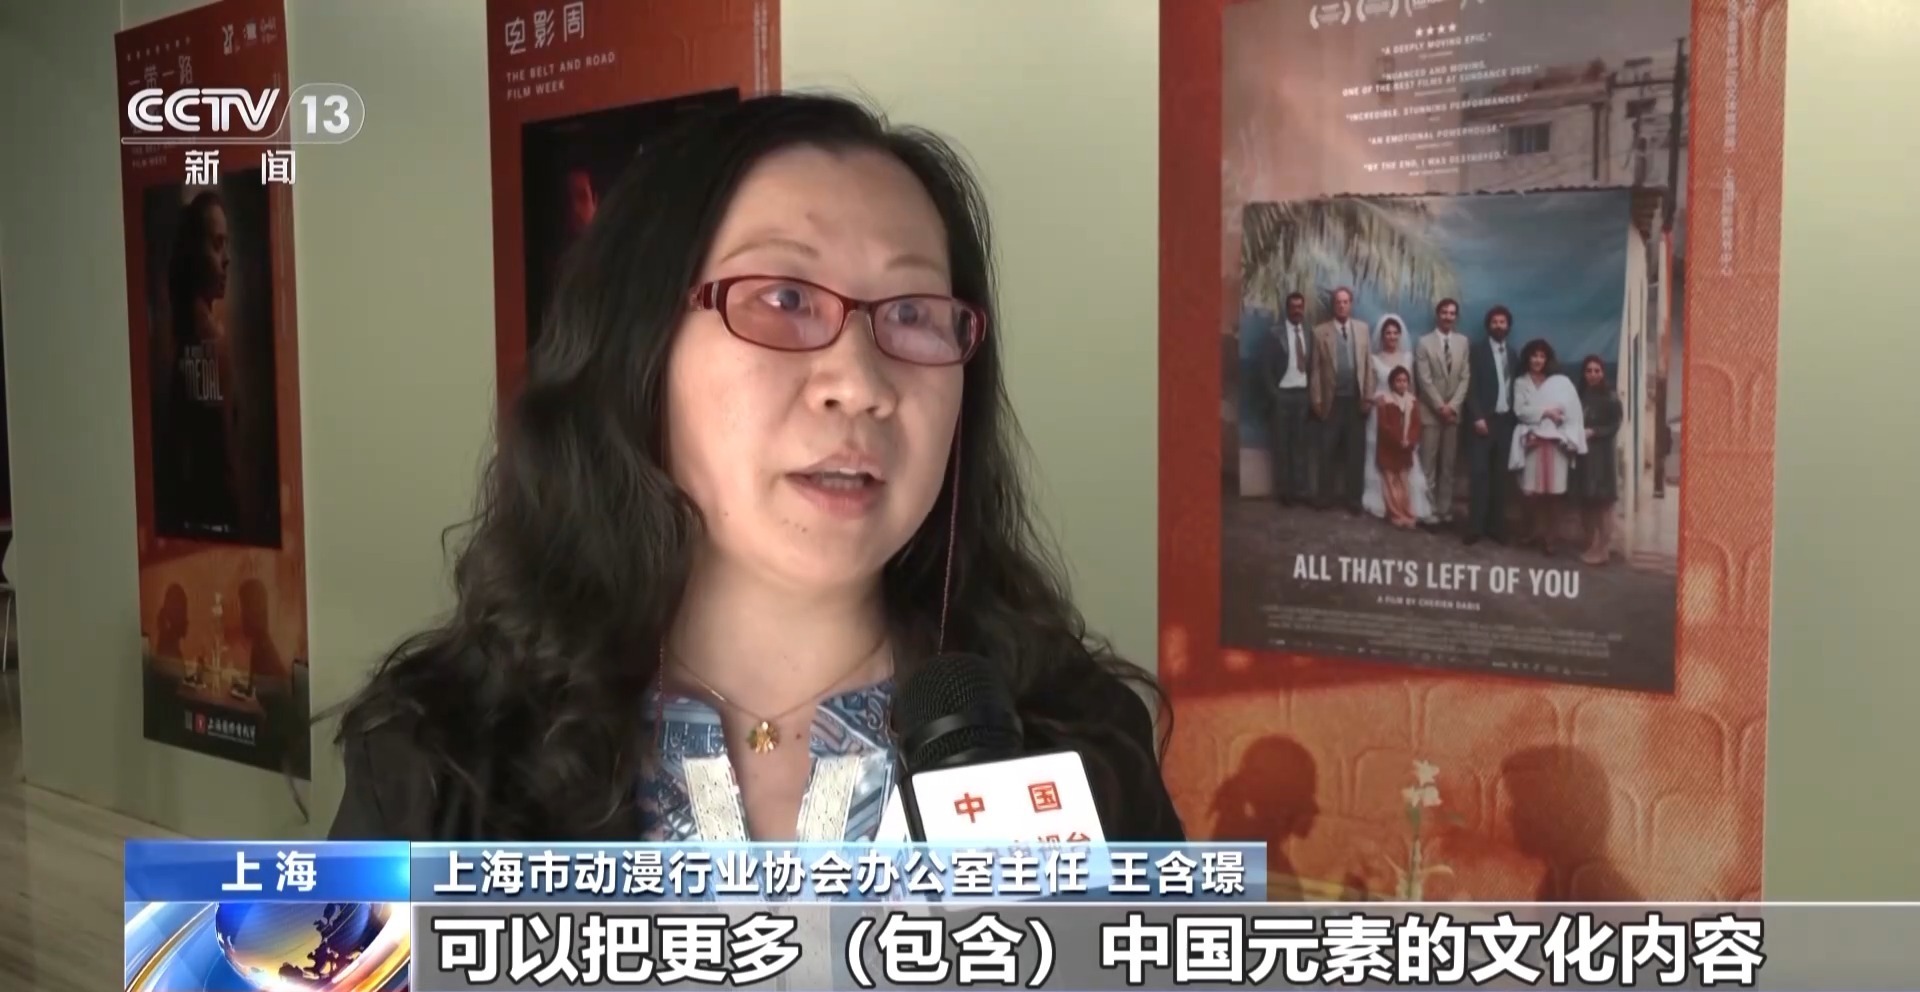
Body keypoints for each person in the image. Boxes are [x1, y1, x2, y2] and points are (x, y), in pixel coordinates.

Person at [327, 94, 1184, 843]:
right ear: (640, 349)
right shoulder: (441, 757)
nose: (860, 385)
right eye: (785, 299)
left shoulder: (1079, 750)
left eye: (913, 313)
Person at [1509, 339, 1586, 556]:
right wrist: (1546, 412)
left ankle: (1551, 538)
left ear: (1547, 359)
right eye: (1534, 356)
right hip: (1532, 441)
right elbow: (1521, 411)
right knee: (1530, 492)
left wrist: (1560, 422)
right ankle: (1531, 532)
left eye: (1542, 356)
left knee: (1554, 494)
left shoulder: (1558, 382)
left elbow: (1569, 410)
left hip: (1555, 444)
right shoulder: (1521, 383)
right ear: (1528, 358)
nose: (1537, 360)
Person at [1309, 287, 1374, 513]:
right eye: (1338, 302)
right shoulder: (1320, 332)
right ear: (1333, 305)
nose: (1342, 305)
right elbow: (1315, 370)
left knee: (1355, 452)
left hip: (1356, 401)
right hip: (1332, 401)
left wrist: (1368, 397)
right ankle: (1324, 497)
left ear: (1351, 304)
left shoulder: (1363, 329)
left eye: (1346, 302)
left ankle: (1354, 499)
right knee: (1326, 450)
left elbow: (1368, 366)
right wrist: (1317, 401)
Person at [1361, 315, 1429, 523]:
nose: (1391, 336)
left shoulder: (1407, 358)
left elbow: (1412, 387)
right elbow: (1370, 386)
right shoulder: (1374, 359)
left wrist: (1411, 408)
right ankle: (1385, 503)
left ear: (1400, 335)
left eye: (1394, 333)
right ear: (1382, 336)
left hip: (1405, 412)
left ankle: (1406, 504)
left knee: (1404, 455)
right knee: (1383, 458)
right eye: (1387, 333)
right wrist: (1375, 400)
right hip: (1382, 413)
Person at [1462, 305, 1518, 545]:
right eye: (1494, 322)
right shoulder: (1477, 351)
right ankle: (1475, 528)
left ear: (1508, 326)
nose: (1499, 326)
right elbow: (1470, 386)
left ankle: (1496, 528)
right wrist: (1477, 416)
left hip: (1505, 423)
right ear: (1488, 326)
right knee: (1479, 475)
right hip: (1482, 422)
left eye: (1502, 322)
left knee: (1500, 478)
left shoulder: (1513, 354)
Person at [1253, 291, 1313, 504]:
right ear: (1287, 309)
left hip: (1302, 395)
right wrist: (1275, 395)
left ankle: (1300, 491)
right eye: (1293, 307)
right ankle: (1285, 493)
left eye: (1300, 307)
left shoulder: (1309, 333)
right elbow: (1265, 368)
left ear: (1303, 309)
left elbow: (1313, 365)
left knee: (1300, 446)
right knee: (1281, 446)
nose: (1297, 311)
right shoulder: (1275, 334)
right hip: (1282, 395)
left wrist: (1310, 394)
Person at [1414, 298, 1469, 525]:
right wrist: (1440, 406)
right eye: (1444, 312)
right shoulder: (1424, 342)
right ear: (1438, 315)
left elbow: (1465, 377)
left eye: (1452, 313)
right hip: (1430, 413)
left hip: (1453, 414)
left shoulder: (1463, 342)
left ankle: (1445, 509)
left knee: (1448, 465)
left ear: (1456, 317)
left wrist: (1452, 406)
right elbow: (1424, 380)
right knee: (1428, 464)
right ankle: (1428, 510)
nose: (1448, 316)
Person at [1570, 355, 1622, 565]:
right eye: (1589, 371)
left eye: (1596, 370)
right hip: (1584, 456)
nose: (1593, 375)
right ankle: (1593, 545)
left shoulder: (1610, 398)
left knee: (1603, 504)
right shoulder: (1580, 396)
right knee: (1589, 503)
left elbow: (1614, 426)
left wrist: (1595, 432)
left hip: (1601, 457)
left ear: (1603, 372)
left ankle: (1603, 548)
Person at [1373, 366, 1424, 529]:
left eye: (1404, 381)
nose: (1402, 384)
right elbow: (1384, 426)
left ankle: (1407, 512)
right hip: (1389, 448)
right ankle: (1395, 513)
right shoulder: (1385, 401)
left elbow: (1416, 424)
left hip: (1405, 449)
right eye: (1398, 381)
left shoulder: (1412, 401)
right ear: (1392, 383)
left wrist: (1410, 440)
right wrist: (1398, 439)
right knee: (1390, 483)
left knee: (1404, 483)